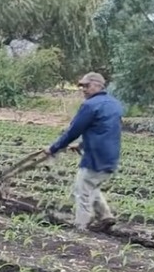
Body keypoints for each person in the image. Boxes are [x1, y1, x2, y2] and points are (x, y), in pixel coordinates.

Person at [45, 72, 123, 232]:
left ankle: (81, 226)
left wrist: (53, 148)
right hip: (111, 155)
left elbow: (73, 131)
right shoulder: (114, 104)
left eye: (86, 86)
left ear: (98, 85)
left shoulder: (90, 105)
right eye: (82, 87)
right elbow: (104, 130)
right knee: (91, 184)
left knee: (81, 190)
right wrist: (81, 145)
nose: (84, 90)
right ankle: (106, 215)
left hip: (95, 157)